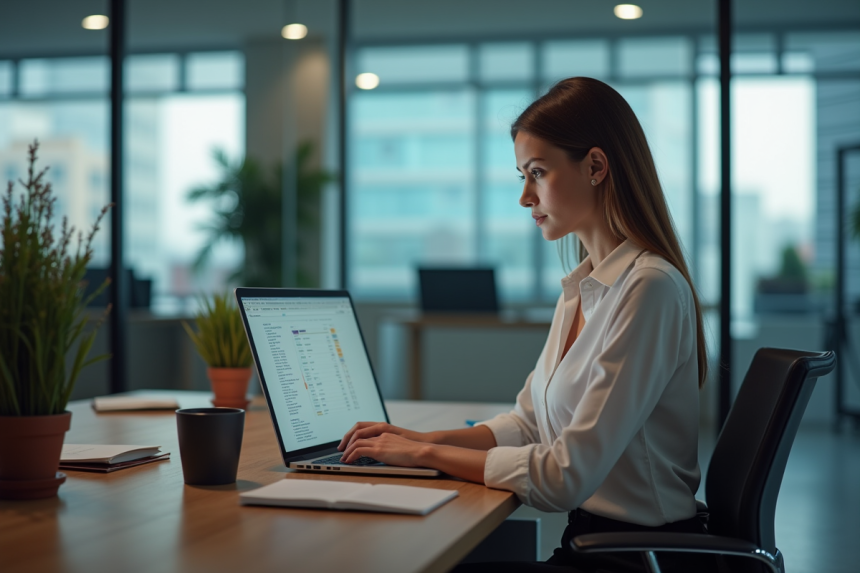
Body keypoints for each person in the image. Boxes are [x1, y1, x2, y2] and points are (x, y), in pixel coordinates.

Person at [338, 77, 712, 572]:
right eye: (522, 176)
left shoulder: (649, 289)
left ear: (596, 166)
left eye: (537, 172)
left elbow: (564, 477)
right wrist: (409, 440)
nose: (525, 197)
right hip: (595, 544)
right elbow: (528, 425)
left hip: (636, 558)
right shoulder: (583, 288)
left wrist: (426, 453)